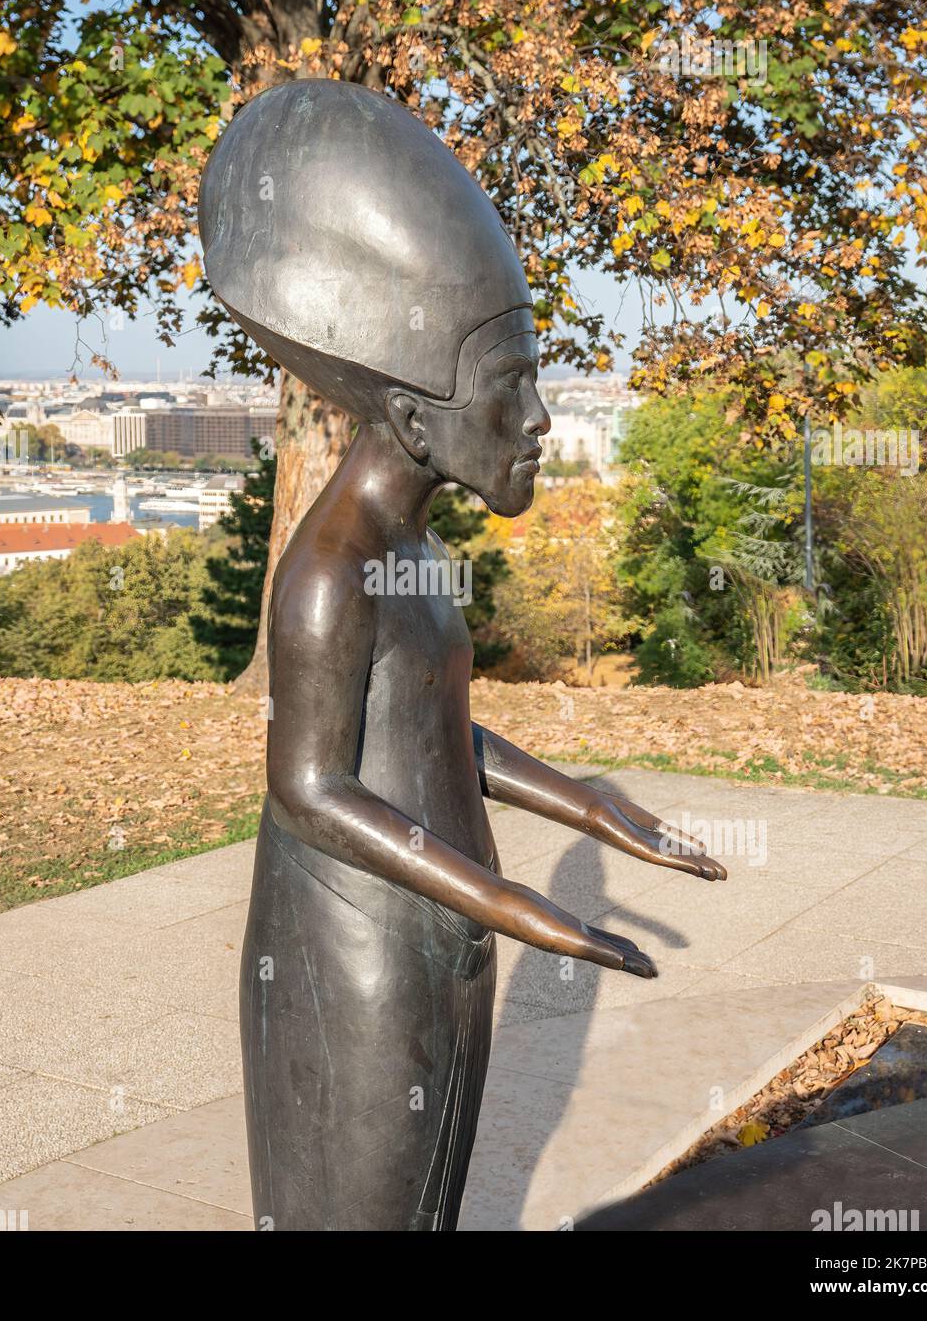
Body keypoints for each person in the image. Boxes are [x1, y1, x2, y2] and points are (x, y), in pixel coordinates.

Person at [199, 79, 726, 1231]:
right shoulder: (329, 574)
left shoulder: (417, 556)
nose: (536, 417)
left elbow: (429, 730)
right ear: (413, 419)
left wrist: (586, 806)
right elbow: (306, 786)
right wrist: (510, 899)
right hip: (352, 947)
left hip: (435, 928)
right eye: (509, 388)